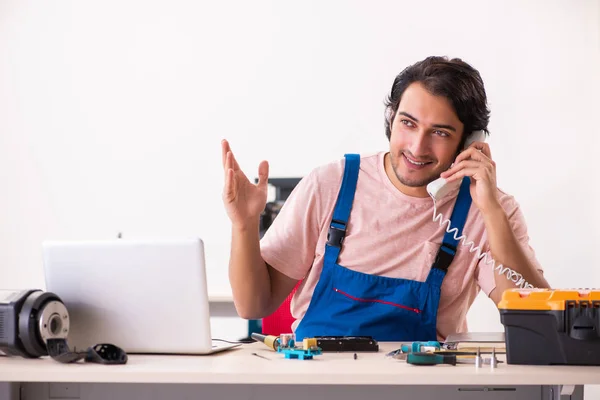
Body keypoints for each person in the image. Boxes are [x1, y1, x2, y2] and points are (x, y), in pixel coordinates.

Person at [221, 56, 550, 341]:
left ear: (468, 142)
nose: (417, 147)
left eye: (440, 132)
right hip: (318, 377)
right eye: (408, 124)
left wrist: (490, 211)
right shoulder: (330, 184)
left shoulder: (490, 210)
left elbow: (534, 321)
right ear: (391, 118)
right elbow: (254, 305)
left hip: (423, 386)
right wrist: (245, 225)